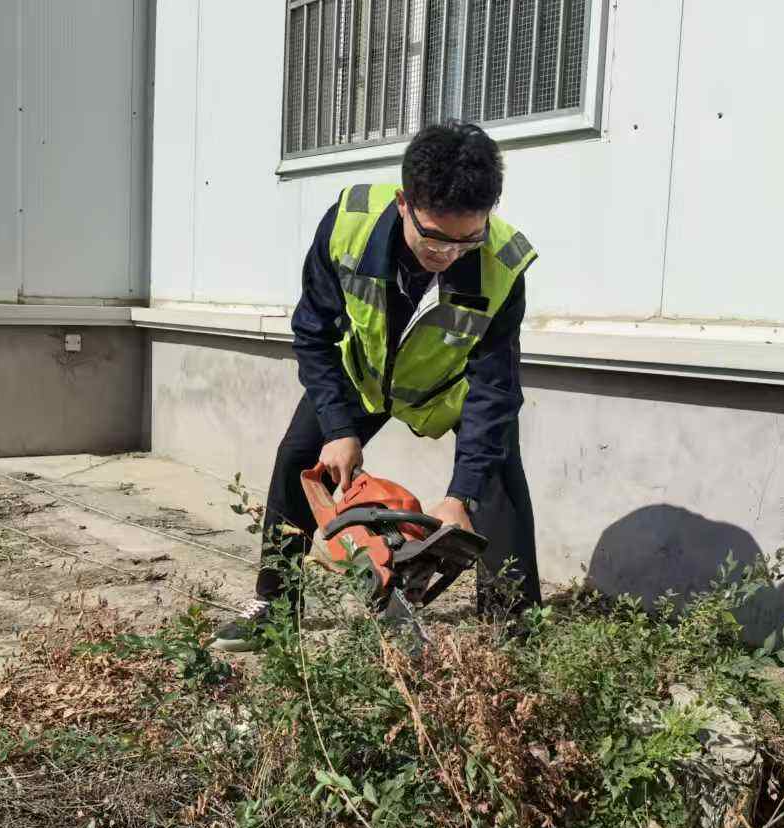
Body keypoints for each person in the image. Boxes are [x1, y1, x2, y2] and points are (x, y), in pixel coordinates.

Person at [212, 121, 541, 651]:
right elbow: (312, 331)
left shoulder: (504, 264)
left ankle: (514, 629)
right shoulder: (350, 225)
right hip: (364, 374)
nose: (449, 253)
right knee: (299, 459)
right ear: (404, 202)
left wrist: (459, 496)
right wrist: (339, 428)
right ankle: (274, 607)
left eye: (467, 239)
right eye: (434, 237)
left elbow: (495, 387)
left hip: (445, 388)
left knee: (496, 478)